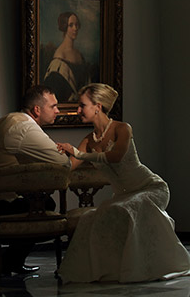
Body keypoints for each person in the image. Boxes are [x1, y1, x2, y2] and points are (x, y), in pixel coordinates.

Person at [56, 83, 190, 283]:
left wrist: (79, 153)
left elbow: (116, 156)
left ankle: (148, 267)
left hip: (150, 188)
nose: (78, 110)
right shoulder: (88, 140)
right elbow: (70, 166)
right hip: (123, 196)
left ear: (97, 106)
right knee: (90, 218)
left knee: (128, 209)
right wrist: (54, 154)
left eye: (82, 105)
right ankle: (108, 270)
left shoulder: (122, 128)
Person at [0, 85, 71, 277]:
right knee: (43, 205)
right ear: (37, 110)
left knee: (36, 201)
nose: (58, 111)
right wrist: (74, 153)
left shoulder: (10, 120)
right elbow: (62, 163)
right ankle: (7, 261)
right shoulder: (24, 128)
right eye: (53, 106)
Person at [43, 11, 91, 103]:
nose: (75, 28)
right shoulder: (60, 56)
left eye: (77, 25)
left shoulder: (78, 54)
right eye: (71, 25)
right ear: (64, 27)